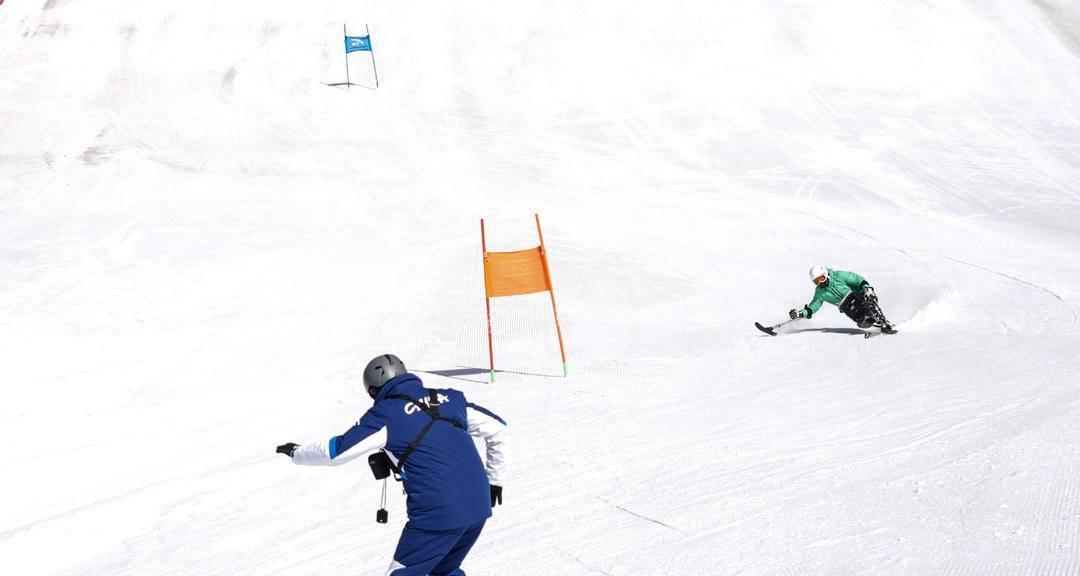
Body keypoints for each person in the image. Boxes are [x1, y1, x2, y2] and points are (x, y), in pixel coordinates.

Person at [276, 354, 507, 575]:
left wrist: (297, 453)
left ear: (374, 390)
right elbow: (499, 428)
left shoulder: (385, 414)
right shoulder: (451, 399)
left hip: (438, 513)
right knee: (444, 570)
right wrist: (494, 481)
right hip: (478, 506)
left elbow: (335, 452)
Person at [789, 264, 896, 333]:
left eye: (821, 278)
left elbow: (857, 280)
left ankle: (881, 320)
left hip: (858, 294)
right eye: (817, 281)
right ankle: (870, 322)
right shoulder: (820, 292)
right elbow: (814, 305)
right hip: (845, 306)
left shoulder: (838, 275)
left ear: (825, 274)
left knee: (861, 304)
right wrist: (801, 313)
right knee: (858, 319)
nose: (820, 283)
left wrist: (867, 289)